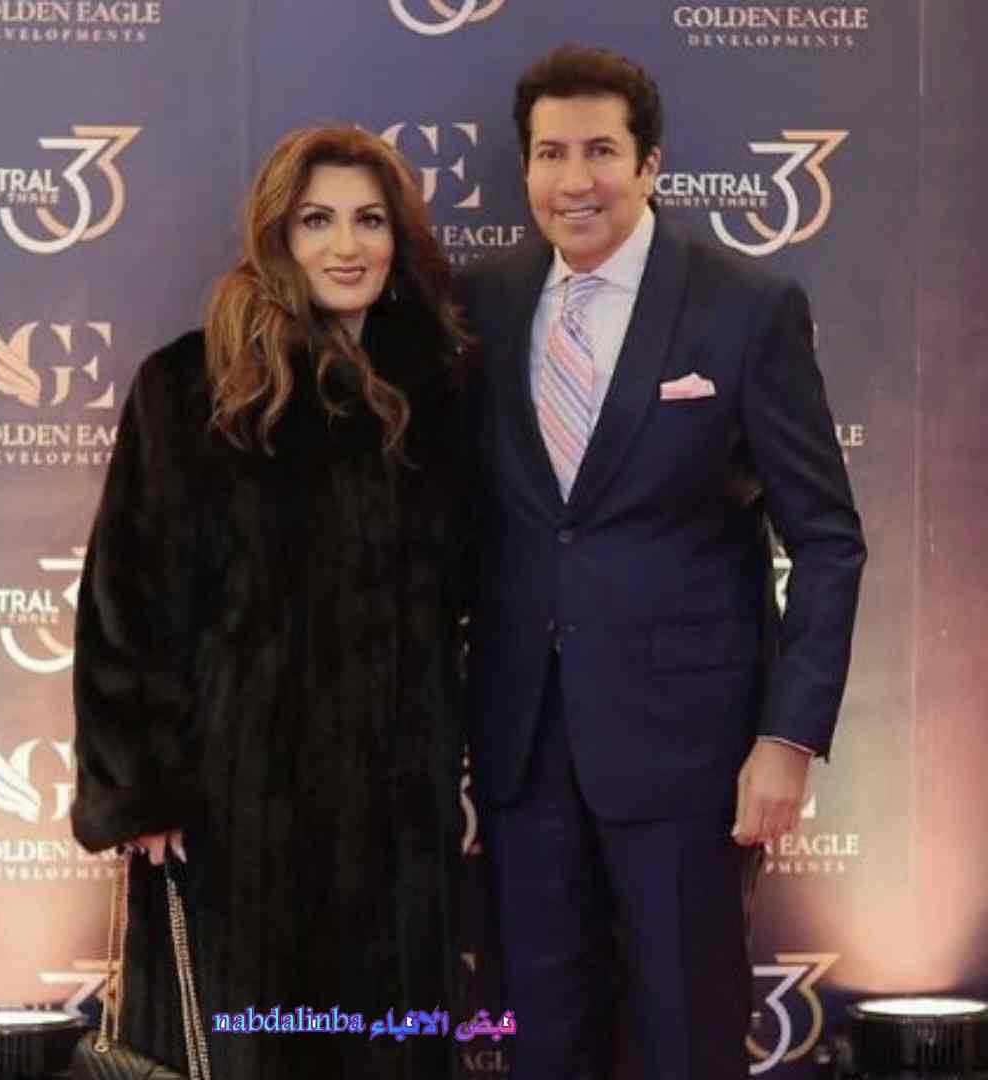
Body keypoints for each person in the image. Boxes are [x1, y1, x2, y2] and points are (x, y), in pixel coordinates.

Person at [457, 44, 866, 1080]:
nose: (575, 179)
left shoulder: (745, 307)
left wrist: (788, 738)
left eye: (601, 151)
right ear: (526, 167)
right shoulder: (482, 306)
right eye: (551, 153)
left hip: (692, 757)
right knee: (540, 1041)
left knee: (687, 1036)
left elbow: (826, 539)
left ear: (650, 165)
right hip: (521, 751)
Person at [71, 125, 468, 1079]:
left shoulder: (440, 389)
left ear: (400, 237)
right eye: (317, 220)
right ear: (277, 236)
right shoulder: (191, 384)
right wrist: (141, 786)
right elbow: (126, 599)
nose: (347, 245)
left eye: (370, 220)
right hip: (232, 808)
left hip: (396, 811)